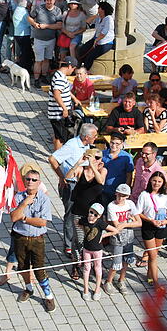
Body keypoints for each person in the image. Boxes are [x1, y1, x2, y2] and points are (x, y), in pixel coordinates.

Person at [48, 124, 99, 256]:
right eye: (94, 136)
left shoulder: (86, 145)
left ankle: (80, 241)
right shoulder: (72, 145)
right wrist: (61, 177)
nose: (96, 138)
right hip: (71, 185)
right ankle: (68, 245)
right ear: (87, 137)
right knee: (70, 215)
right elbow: (52, 159)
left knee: (81, 214)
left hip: (82, 184)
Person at [9, 169, 56, 313]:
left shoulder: (44, 199)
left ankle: (49, 296)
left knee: (39, 269)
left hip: (37, 239)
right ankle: (28, 289)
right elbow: (13, 217)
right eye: (28, 179)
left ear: (39, 183)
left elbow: (42, 222)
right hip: (20, 237)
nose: (30, 182)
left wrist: (24, 218)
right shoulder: (18, 197)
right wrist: (24, 204)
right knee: (23, 267)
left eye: (34, 180)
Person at [66, 148, 106, 279]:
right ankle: (76, 265)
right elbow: (67, 177)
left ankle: (90, 264)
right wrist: (79, 163)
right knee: (79, 239)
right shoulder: (81, 170)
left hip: (94, 214)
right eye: (97, 157)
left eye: (100, 158)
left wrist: (94, 167)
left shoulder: (102, 171)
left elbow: (100, 181)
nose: (99, 160)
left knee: (91, 239)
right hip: (79, 211)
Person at [135, 171, 167, 289]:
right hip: (148, 226)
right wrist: (151, 220)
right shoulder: (144, 195)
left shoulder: (165, 195)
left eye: (159, 181)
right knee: (153, 256)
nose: (156, 183)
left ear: (163, 183)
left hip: (161, 226)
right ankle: (156, 283)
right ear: (150, 181)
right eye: (154, 181)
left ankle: (149, 275)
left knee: (154, 253)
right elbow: (138, 212)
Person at [103, 184, 140, 296]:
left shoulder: (130, 204)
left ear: (127, 196)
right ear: (116, 194)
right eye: (119, 195)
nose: (120, 198)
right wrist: (128, 222)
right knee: (116, 262)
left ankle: (121, 280)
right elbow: (117, 226)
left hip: (129, 237)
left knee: (127, 260)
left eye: (123, 196)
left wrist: (125, 224)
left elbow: (139, 222)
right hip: (118, 239)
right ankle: (108, 281)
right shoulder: (111, 206)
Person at [79, 203, 117, 301]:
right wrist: (83, 230)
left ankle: (97, 290)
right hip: (86, 249)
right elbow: (78, 223)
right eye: (91, 212)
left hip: (97, 250)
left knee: (97, 268)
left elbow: (115, 230)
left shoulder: (100, 223)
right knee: (86, 267)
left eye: (95, 214)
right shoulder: (84, 220)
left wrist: (104, 235)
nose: (92, 215)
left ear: (99, 216)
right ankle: (86, 289)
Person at [28, 0, 63, 86]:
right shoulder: (39, 8)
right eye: (47, 0)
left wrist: (46, 26)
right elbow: (30, 18)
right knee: (38, 60)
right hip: (39, 39)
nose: (48, 2)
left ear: (54, 1)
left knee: (47, 59)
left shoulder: (57, 11)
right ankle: (36, 79)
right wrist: (34, 24)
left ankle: (44, 76)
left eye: (50, 1)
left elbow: (59, 25)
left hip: (51, 39)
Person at [48, 57, 79, 151]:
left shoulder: (59, 75)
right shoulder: (60, 78)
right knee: (60, 138)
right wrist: (64, 108)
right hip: (58, 113)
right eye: (73, 68)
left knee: (59, 135)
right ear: (69, 66)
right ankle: (57, 159)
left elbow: (64, 90)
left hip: (57, 112)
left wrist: (74, 98)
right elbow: (57, 94)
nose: (73, 71)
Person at [77, 2, 115, 71]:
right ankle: (79, 66)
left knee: (90, 56)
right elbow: (88, 22)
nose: (97, 9)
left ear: (103, 10)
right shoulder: (99, 18)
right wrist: (95, 16)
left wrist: (97, 40)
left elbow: (104, 32)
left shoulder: (108, 19)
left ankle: (84, 71)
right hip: (96, 39)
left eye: (99, 8)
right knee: (82, 49)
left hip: (105, 42)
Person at [101, 133, 134, 206]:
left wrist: (125, 190)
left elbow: (129, 175)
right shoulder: (103, 154)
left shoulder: (126, 157)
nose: (114, 146)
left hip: (119, 192)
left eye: (117, 144)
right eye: (112, 143)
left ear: (122, 144)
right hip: (104, 190)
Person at [10, 0, 33, 71]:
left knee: (22, 52)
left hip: (17, 33)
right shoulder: (23, 11)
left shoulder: (17, 9)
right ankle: (25, 68)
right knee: (26, 53)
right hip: (24, 34)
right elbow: (29, 23)